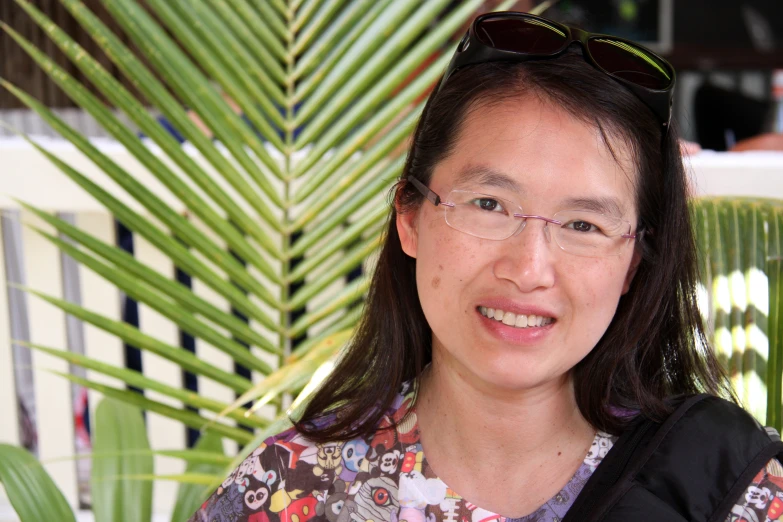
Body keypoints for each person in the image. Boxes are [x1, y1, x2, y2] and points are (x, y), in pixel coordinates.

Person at [188, 12, 783, 522]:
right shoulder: (293, 488)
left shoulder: (729, 493)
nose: (528, 269)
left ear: (633, 263)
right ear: (410, 219)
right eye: (489, 204)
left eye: (583, 225)